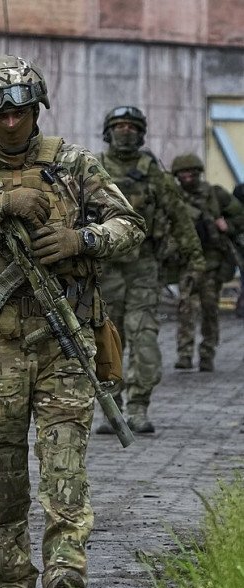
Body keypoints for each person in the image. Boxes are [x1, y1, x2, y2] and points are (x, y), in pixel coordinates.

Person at [0, 55, 144, 588]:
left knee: (65, 464)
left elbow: (128, 226)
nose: (13, 123)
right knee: (1, 472)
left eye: (21, 111)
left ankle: (66, 571)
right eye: (1, 113)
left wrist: (81, 239)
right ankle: (14, 584)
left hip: (62, 340)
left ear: (35, 110)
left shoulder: (73, 164)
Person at [94, 106, 205, 434]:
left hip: (144, 268)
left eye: (131, 126)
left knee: (144, 338)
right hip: (107, 268)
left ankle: (139, 406)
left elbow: (180, 218)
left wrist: (195, 259)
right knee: (109, 342)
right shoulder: (93, 169)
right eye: (119, 125)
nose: (125, 131)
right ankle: (111, 409)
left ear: (141, 132)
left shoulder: (154, 173)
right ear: (108, 131)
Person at [170, 154, 244, 371]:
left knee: (210, 309)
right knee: (186, 309)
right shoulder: (174, 198)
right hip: (188, 262)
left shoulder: (215, 194)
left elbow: (240, 217)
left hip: (212, 264)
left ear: (198, 172)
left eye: (190, 172)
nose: (187, 177)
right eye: (182, 173)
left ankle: (207, 353)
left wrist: (226, 225)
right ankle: (184, 354)